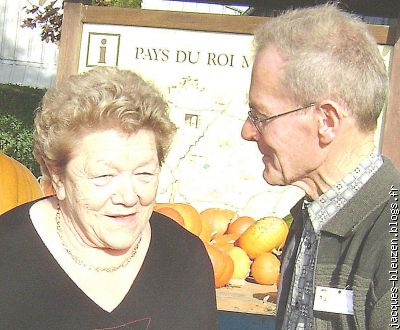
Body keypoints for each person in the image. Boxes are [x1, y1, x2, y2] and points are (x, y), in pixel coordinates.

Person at [0, 66, 218, 329]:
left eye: (144, 173)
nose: (128, 197)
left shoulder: (185, 259)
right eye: (104, 176)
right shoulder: (7, 258)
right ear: (57, 176)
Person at [241, 3, 399, 329]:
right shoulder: (309, 215)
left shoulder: (389, 236)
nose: (247, 131)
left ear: (326, 121)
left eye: (261, 115)